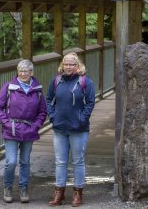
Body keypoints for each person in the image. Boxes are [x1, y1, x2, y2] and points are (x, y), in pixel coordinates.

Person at [0, 59, 47, 203]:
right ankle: (8, 187)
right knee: (11, 161)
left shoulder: (37, 89)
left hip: (29, 129)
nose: (23, 74)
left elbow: (43, 111)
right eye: (21, 71)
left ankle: (24, 188)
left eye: (26, 71)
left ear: (31, 73)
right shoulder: (9, 87)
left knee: (25, 161)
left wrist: (36, 126)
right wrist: (6, 123)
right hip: (11, 129)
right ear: (17, 72)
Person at [46, 52, 95, 207]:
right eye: (66, 64)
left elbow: (90, 103)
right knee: (60, 162)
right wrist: (52, 116)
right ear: (62, 65)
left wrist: (82, 119)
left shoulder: (85, 82)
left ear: (77, 65)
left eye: (71, 64)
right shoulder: (56, 81)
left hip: (78, 128)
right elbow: (48, 100)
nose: (68, 67)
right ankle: (59, 193)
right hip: (60, 128)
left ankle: (77, 194)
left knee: (78, 161)